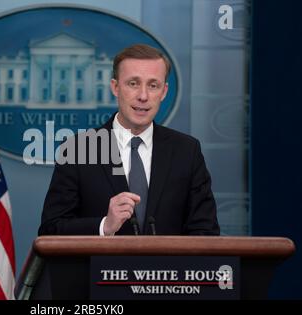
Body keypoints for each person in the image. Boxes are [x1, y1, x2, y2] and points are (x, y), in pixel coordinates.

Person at [38, 44, 220, 236]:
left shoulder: (186, 151)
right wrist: (104, 226)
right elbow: (51, 229)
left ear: (164, 92)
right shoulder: (78, 150)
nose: (143, 96)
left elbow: (205, 231)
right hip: (99, 266)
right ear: (115, 87)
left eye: (153, 85)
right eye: (133, 83)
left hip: (169, 266)